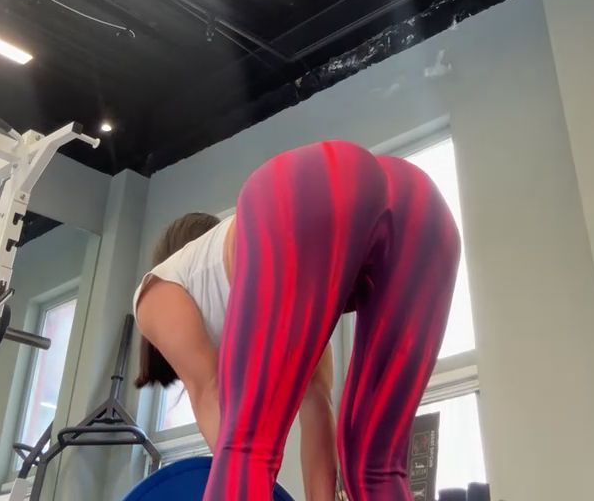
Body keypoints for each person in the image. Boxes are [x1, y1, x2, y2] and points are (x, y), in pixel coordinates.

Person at [133, 140, 460, 501]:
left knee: (246, 450)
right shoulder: (288, 301)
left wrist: (243, 468)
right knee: (377, 468)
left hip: (306, 189)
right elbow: (316, 404)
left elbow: (211, 394)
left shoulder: (155, 290)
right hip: (422, 207)